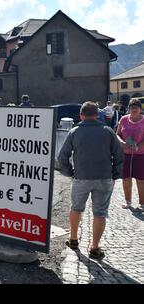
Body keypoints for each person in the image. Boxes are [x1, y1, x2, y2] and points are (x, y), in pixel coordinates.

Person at [58, 101, 123, 260]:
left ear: (81, 115)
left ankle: (73, 240)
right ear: (97, 115)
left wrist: (70, 172)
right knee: (100, 213)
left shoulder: (74, 132)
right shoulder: (108, 131)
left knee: (76, 208)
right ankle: (95, 247)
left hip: (81, 177)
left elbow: (62, 157)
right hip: (104, 177)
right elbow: (119, 156)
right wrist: (115, 174)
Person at [116, 98, 144, 211]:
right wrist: (122, 143)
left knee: (141, 179)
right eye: (132, 107)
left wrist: (139, 146)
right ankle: (128, 201)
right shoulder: (123, 119)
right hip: (126, 154)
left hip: (141, 154)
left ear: (140, 109)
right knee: (126, 178)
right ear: (129, 108)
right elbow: (117, 134)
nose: (134, 110)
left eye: (136, 108)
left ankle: (142, 204)